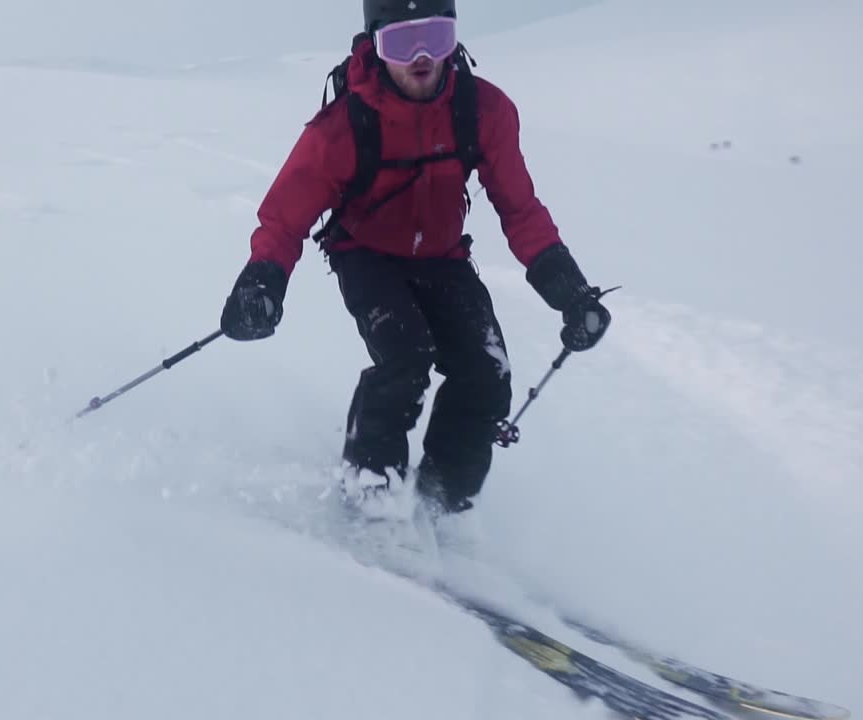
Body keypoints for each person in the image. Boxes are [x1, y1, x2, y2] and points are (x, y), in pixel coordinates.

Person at [219, 0, 612, 516]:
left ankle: (439, 503)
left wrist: (570, 290)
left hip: (443, 257)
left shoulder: (484, 111)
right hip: (366, 255)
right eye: (402, 42)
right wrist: (261, 282)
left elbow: (520, 210)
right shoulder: (340, 129)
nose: (422, 56)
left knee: (487, 372)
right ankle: (370, 492)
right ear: (377, 47)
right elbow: (284, 219)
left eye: (436, 36)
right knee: (406, 357)